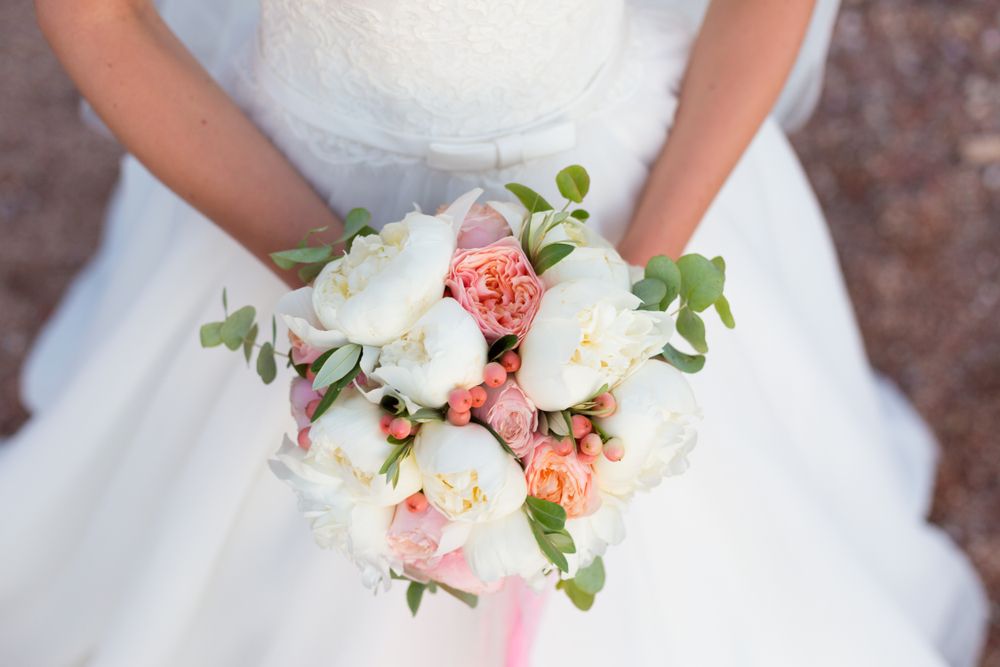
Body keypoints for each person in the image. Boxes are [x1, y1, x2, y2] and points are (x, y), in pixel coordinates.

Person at [0, 0, 987, 665]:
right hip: (285, 193)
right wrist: (364, 307)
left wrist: (616, 313)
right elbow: (94, 14)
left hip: (616, 196)